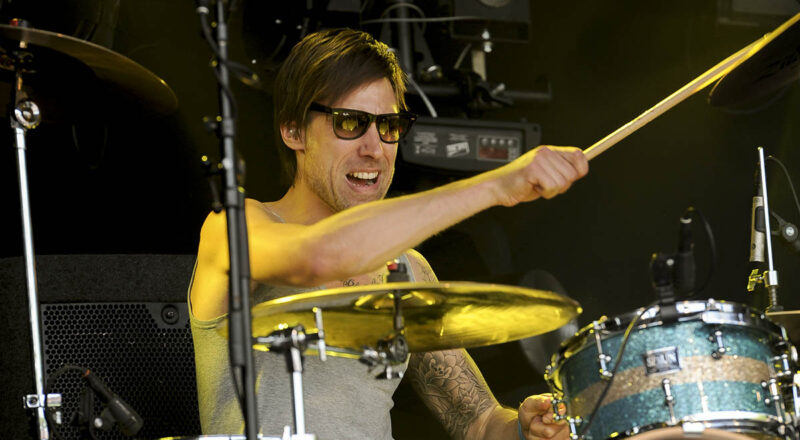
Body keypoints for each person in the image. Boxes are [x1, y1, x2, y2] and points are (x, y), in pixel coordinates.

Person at [189, 28, 588, 440]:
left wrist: (524, 428)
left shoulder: (406, 269)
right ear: (293, 130)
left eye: (389, 125)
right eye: (349, 122)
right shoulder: (234, 226)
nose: (375, 149)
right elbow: (320, 256)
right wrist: (495, 185)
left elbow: (480, 421)